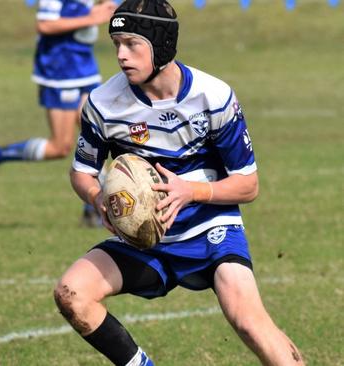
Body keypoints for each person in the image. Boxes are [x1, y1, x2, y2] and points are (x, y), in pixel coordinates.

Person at [53, 0, 305, 365]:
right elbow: (82, 171)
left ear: (162, 45)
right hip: (142, 235)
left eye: (132, 43)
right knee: (71, 293)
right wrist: (97, 199)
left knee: (249, 322)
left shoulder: (213, 97)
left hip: (210, 227)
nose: (121, 55)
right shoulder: (104, 104)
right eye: (116, 44)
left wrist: (191, 192)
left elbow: (248, 186)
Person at [0, 0, 117, 226]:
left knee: (98, 134)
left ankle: (93, 209)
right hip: (60, 71)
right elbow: (45, 25)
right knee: (61, 147)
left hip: (85, 67)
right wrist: (91, 19)